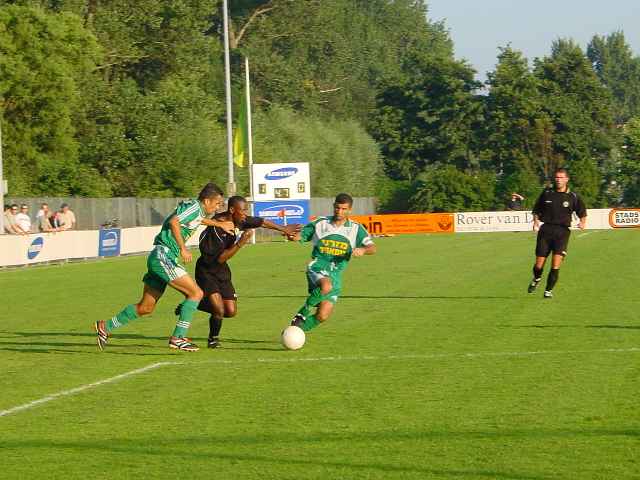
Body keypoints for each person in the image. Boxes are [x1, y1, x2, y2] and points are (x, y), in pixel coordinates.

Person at [93, 183, 235, 352]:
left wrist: (219, 225)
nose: (219, 207)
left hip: (158, 257)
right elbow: (175, 222)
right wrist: (183, 248)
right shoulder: (195, 208)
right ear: (206, 200)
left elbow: (190, 219)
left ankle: (105, 327)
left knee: (146, 307)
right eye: (217, 203)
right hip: (164, 256)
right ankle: (178, 337)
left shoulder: (195, 210)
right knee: (196, 293)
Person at [187, 195, 301, 348]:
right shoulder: (217, 229)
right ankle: (213, 339)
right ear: (232, 210)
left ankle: (190, 304)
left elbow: (261, 222)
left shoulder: (239, 218)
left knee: (230, 311)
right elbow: (220, 258)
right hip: (206, 270)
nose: (245, 215)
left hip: (222, 271)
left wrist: (284, 229)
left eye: (246, 211)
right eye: (243, 211)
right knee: (219, 309)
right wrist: (241, 243)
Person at [290, 193, 376, 332]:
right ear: (333, 206)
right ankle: (301, 314)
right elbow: (302, 235)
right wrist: (293, 236)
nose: (340, 212)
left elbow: (372, 247)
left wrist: (363, 250)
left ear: (350, 210)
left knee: (323, 315)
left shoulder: (356, 229)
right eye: (337, 208)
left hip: (336, 275)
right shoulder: (321, 223)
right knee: (326, 285)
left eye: (344, 209)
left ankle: (295, 331)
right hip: (317, 266)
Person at [527, 168, 587, 299]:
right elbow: (536, 209)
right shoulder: (547, 193)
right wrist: (536, 221)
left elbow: (582, 211)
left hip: (562, 232)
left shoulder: (573, 197)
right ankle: (537, 279)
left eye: (561, 177)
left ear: (566, 179)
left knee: (555, 264)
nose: (558, 180)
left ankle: (548, 291)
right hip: (546, 230)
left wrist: (582, 222)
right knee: (539, 264)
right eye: (556, 177)